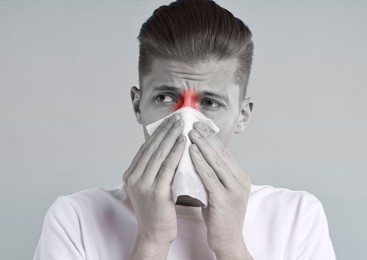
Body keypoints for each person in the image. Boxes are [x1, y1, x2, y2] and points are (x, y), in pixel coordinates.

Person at [33, 0, 336, 259]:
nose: (186, 121)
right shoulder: (76, 219)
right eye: (165, 98)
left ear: (242, 115)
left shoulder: (296, 217)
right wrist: (151, 241)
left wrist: (231, 247)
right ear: (138, 106)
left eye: (209, 102)